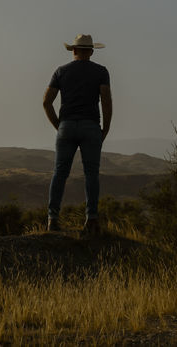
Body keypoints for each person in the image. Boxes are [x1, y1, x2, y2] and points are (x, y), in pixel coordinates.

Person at [42, 33, 113, 233]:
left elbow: (46, 102)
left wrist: (59, 125)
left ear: (73, 51)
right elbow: (106, 102)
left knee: (60, 173)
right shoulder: (101, 72)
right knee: (91, 174)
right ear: (91, 52)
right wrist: (105, 128)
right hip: (91, 126)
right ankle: (91, 219)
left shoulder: (61, 71)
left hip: (66, 125)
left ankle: (52, 219)